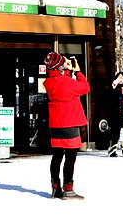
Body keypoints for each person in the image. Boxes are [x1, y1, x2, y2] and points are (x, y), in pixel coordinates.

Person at [44, 51, 90, 200]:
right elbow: (84, 87)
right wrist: (78, 72)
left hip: (55, 124)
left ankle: (55, 187)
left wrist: (67, 72)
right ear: (60, 66)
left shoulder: (49, 82)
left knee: (57, 156)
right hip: (70, 123)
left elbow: (63, 83)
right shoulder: (67, 82)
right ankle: (68, 189)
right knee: (71, 157)